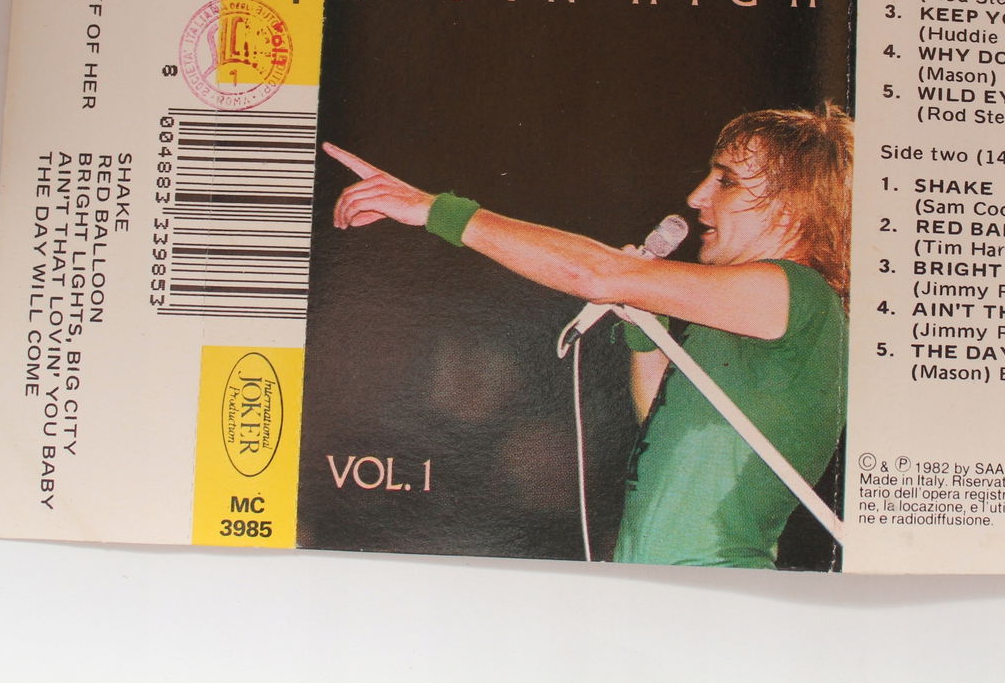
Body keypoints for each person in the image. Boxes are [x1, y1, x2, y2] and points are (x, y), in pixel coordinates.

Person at [324, 104, 852, 568]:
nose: (696, 197)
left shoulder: (795, 292)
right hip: (659, 583)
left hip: (712, 588)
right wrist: (646, 329)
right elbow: (669, 428)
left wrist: (434, 210)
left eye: (726, 181)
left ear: (792, 205)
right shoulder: (753, 312)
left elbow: (597, 272)